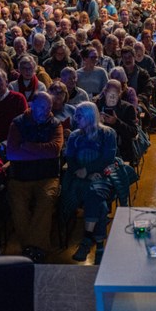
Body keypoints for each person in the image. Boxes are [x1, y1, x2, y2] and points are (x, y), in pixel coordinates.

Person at [6, 92, 64, 264]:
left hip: (47, 175)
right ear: (32, 105)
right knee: (18, 204)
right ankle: (32, 247)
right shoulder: (17, 123)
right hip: (20, 176)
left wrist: (27, 146)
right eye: (41, 107)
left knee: (46, 200)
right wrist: (40, 151)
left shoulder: (55, 124)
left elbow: (54, 150)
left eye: (48, 107)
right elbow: (12, 153)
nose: (45, 111)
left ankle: (32, 248)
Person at [63, 102, 118, 264]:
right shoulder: (75, 136)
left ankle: (87, 241)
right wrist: (86, 174)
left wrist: (89, 171)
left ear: (89, 116)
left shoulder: (107, 133)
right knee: (98, 200)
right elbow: (71, 159)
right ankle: (99, 244)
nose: (76, 119)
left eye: (79, 116)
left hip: (103, 176)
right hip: (80, 179)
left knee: (95, 192)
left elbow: (108, 158)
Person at [94, 79, 138, 165]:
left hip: (121, 150)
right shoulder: (96, 106)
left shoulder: (128, 108)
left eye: (116, 93)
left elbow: (133, 132)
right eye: (110, 93)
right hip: (98, 148)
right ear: (105, 92)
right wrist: (98, 123)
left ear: (120, 93)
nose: (112, 97)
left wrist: (116, 122)